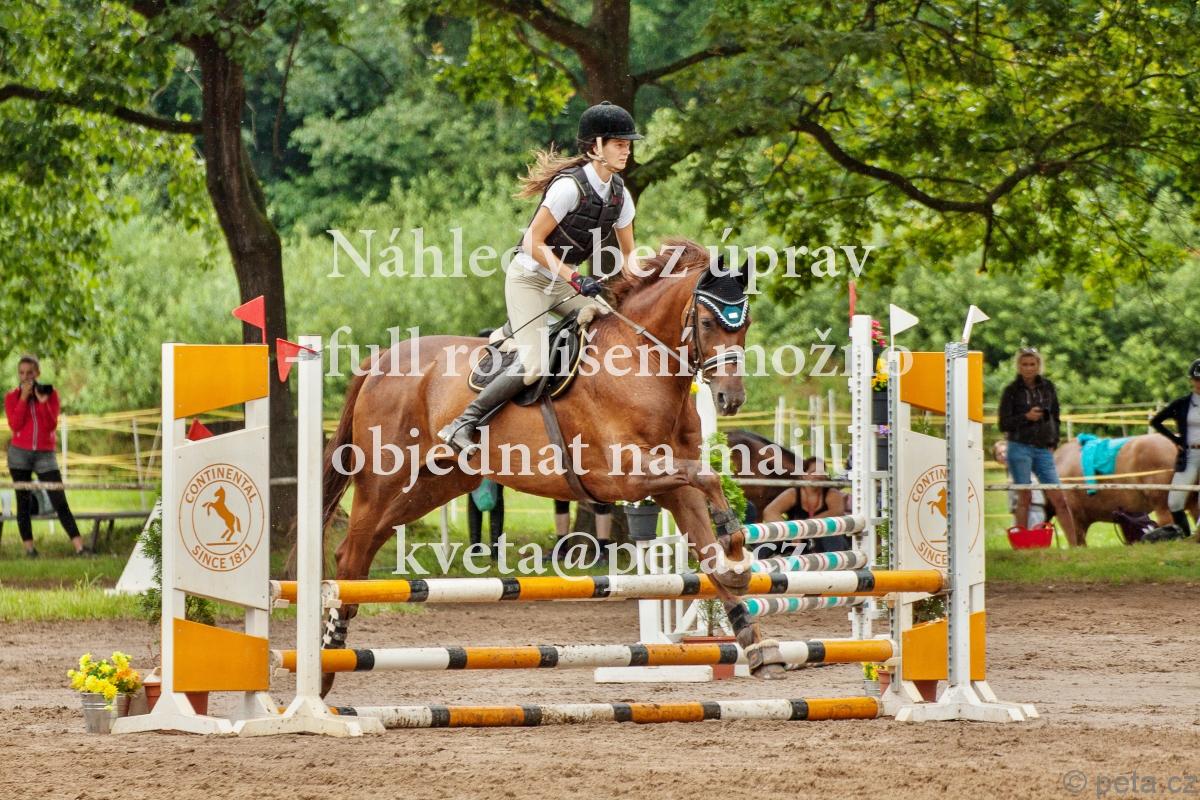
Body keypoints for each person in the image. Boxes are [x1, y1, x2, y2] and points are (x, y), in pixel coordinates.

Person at [439, 101, 643, 455]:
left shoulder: (620, 196)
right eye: (619, 144)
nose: (627, 151)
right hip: (529, 279)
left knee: (611, 330)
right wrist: (574, 277)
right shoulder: (568, 188)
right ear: (596, 146)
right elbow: (532, 242)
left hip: (563, 284)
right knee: (533, 366)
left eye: (628, 145)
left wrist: (652, 282)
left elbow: (630, 258)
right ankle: (461, 423)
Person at [4, 355, 90, 557]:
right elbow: (15, 425)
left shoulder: (51, 394)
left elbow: (50, 425)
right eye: (22, 373)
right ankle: (30, 550)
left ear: (37, 373)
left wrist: (42, 402)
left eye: (30, 372)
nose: (25, 376)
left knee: (59, 499)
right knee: (23, 502)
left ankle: (80, 547)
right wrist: (23, 399)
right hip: (19, 455)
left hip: (45, 455)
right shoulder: (12, 397)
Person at [998, 347, 1067, 530]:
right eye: (1024, 364)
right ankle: (1022, 539)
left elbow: (1056, 417)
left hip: (1043, 448)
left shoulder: (1048, 388)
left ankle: (1075, 542)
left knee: (1059, 498)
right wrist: (1026, 417)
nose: (1028, 368)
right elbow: (1004, 424)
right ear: (1019, 366)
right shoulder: (1011, 391)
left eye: (1032, 364)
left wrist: (1053, 441)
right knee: (1024, 497)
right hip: (1019, 446)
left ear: (1038, 365)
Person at [1148, 358, 1200, 539]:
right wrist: (1174, 439)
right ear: (1191, 380)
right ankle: (1184, 535)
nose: (1199, 383)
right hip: (1189, 455)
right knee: (1175, 502)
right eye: (1196, 379)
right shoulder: (1182, 403)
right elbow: (1156, 421)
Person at [761, 457, 850, 554]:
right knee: (773, 533)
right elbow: (769, 512)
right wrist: (791, 532)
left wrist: (803, 528)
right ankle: (755, 561)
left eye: (822, 472)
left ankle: (836, 562)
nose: (819, 475)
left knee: (830, 532)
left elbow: (836, 513)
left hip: (825, 541)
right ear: (803, 475)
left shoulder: (832, 493)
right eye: (813, 472)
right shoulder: (793, 493)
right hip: (797, 541)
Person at [992, 440, 1048, 528]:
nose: (1003, 455)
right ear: (996, 459)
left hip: (1032, 510)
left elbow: (1028, 492)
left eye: (1005, 451)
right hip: (1022, 511)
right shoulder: (1012, 469)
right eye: (999, 454)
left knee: (1025, 536)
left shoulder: (1019, 466)